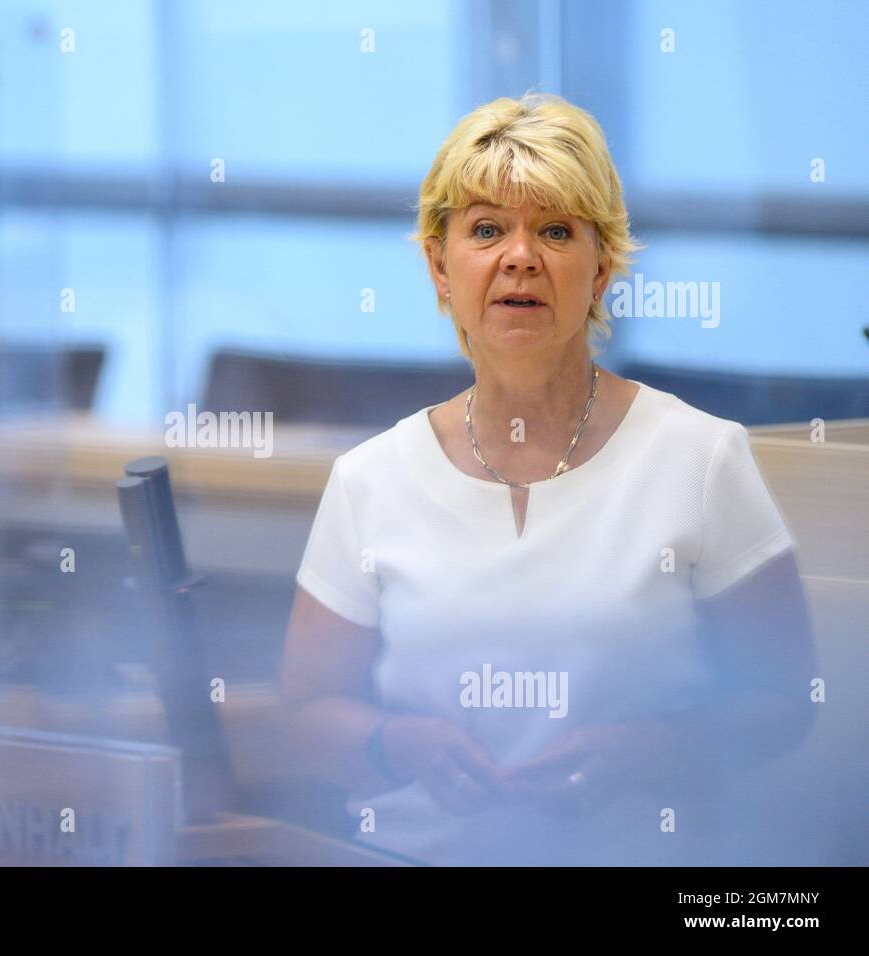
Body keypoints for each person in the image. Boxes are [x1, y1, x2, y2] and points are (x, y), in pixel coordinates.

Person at [279, 93, 817, 866]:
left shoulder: (702, 457)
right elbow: (302, 716)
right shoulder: (369, 479)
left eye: (557, 231)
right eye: (487, 229)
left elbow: (785, 702)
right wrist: (397, 744)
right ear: (440, 264)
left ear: (601, 269)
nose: (521, 257)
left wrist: (651, 749)